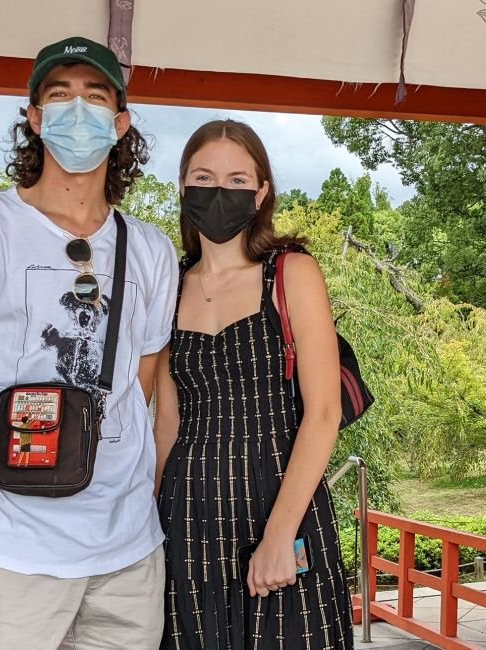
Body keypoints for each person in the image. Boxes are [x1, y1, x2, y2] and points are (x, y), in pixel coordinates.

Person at [0, 36, 177, 649]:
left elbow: (141, 384)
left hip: (129, 549)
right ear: (33, 119)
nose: (76, 110)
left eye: (94, 96)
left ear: (120, 122)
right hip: (16, 549)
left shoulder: (151, 248)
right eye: (59, 97)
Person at [154, 120, 354, 649]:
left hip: (280, 494)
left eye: (238, 179)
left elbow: (324, 413)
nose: (221, 190)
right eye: (205, 176)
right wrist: (141, 524)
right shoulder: (168, 286)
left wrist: (279, 535)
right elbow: (167, 424)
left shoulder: (291, 273)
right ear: (182, 185)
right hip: (188, 509)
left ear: (261, 192)